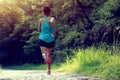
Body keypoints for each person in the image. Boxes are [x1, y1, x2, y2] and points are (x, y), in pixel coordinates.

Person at [38, 5, 56, 75]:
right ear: (50, 12)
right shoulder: (52, 19)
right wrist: (54, 35)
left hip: (42, 38)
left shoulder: (40, 20)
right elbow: (53, 29)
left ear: (43, 12)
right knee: (49, 55)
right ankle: (49, 69)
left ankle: (45, 56)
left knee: (44, 54)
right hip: (50, 38)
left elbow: (39, 30)